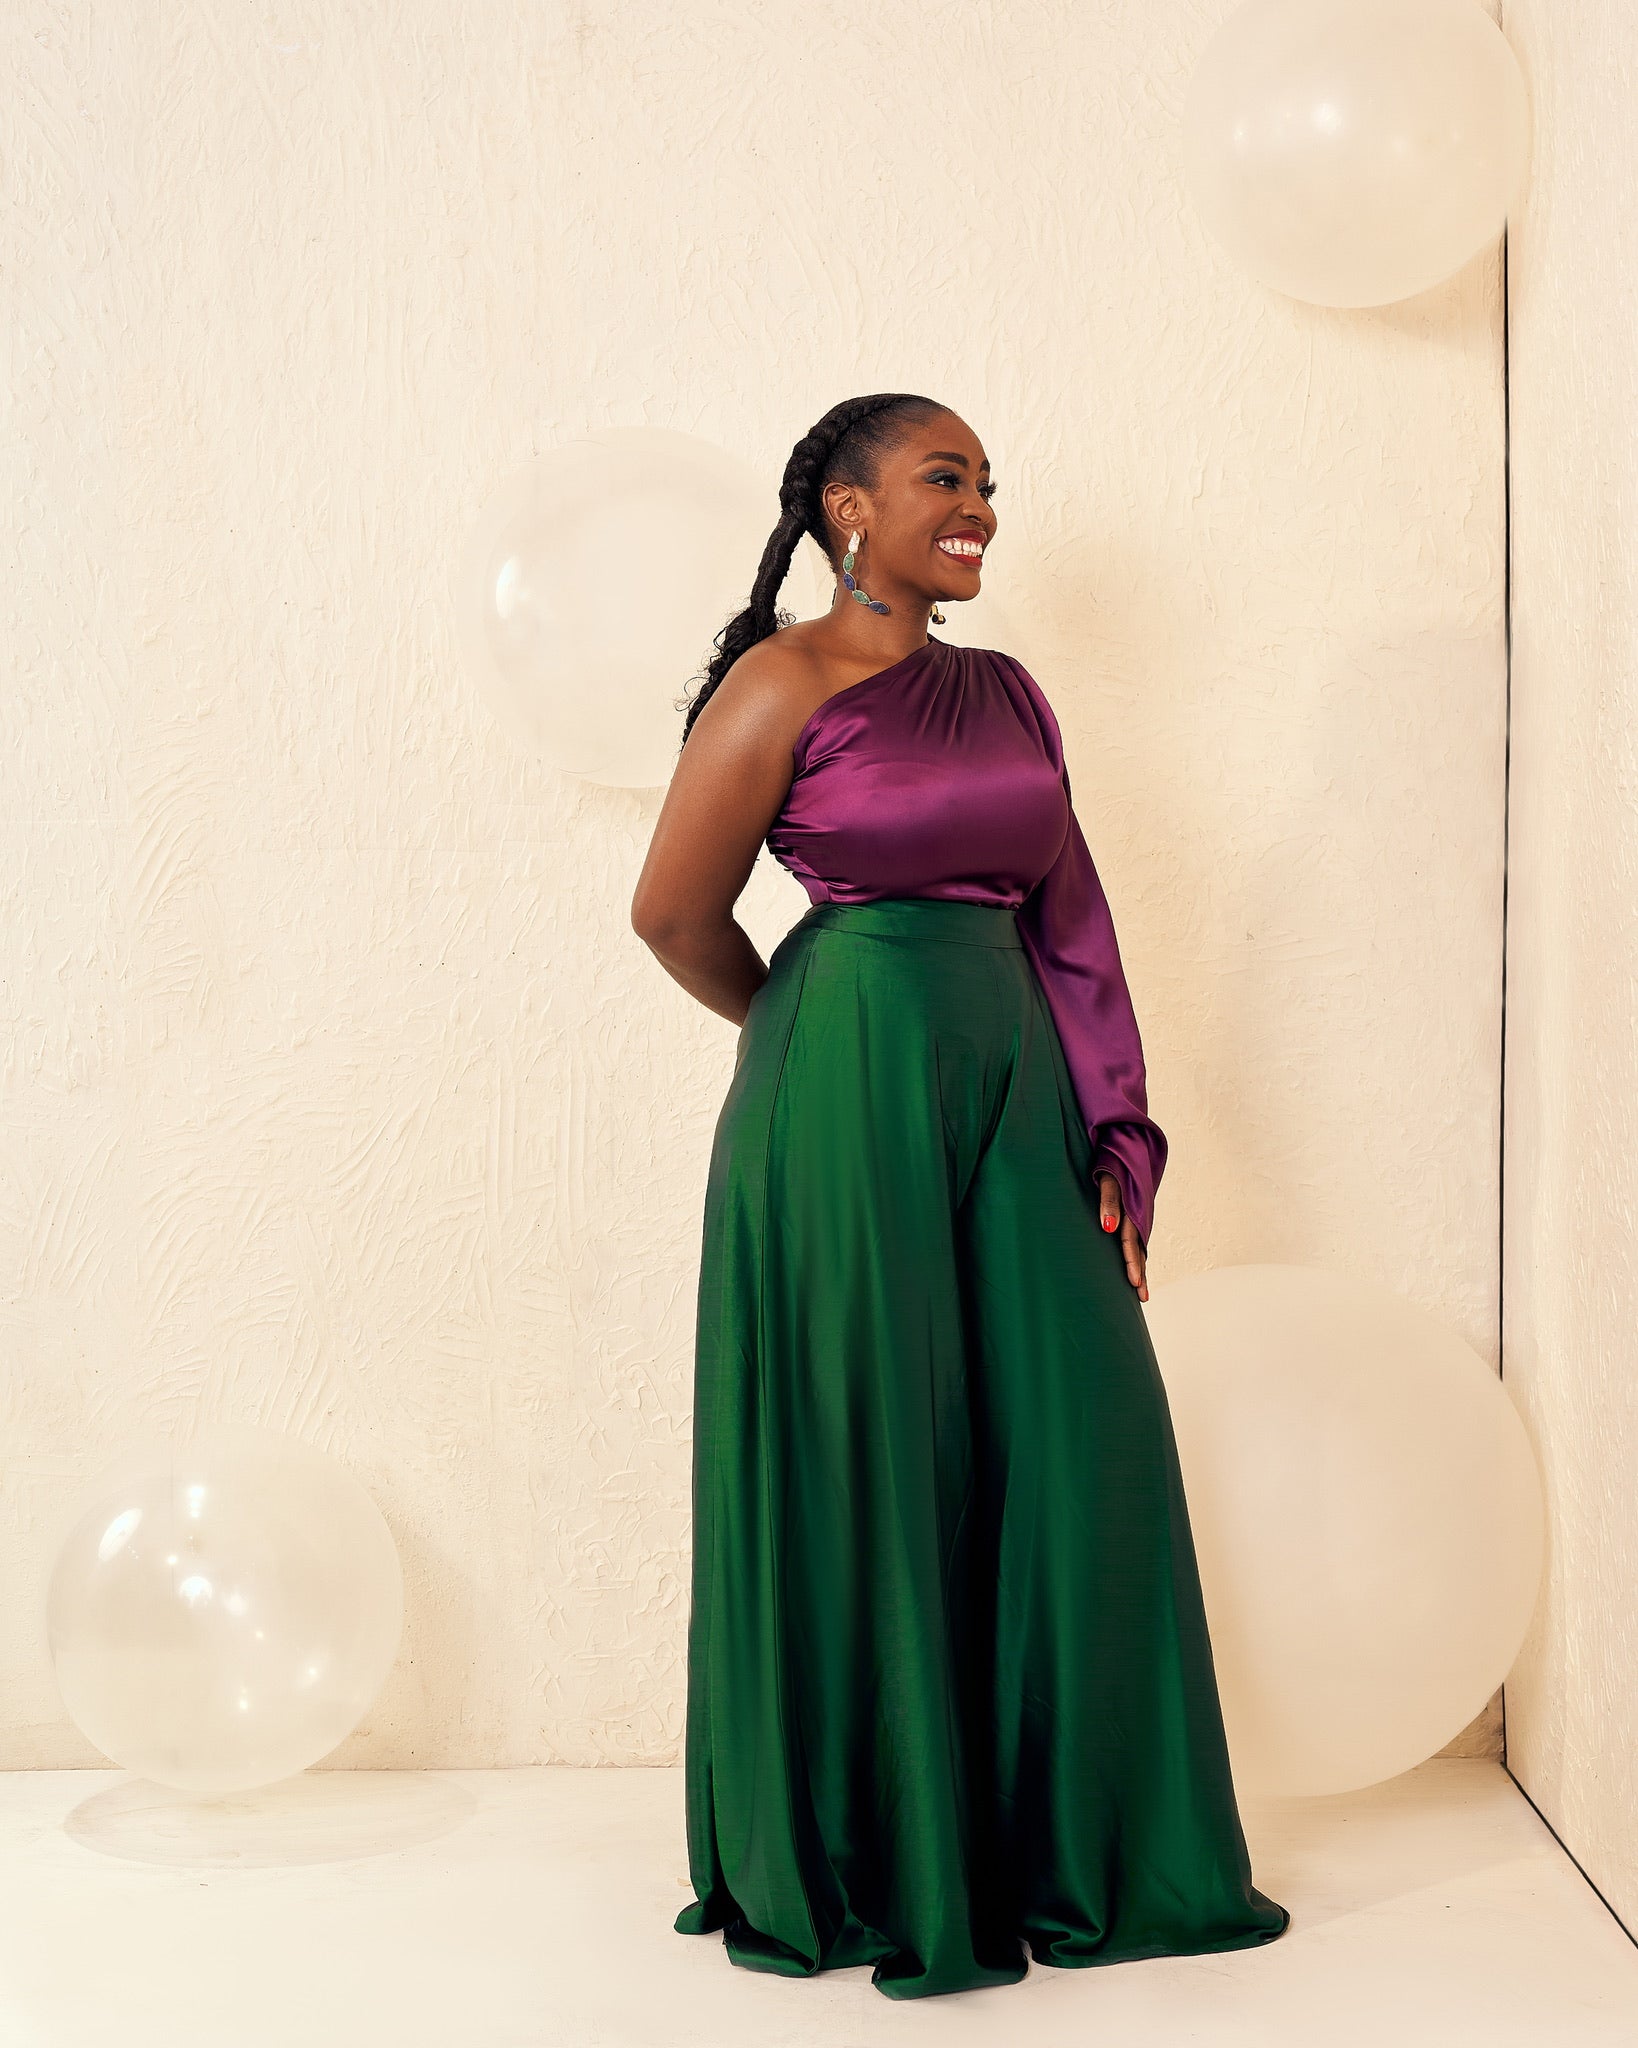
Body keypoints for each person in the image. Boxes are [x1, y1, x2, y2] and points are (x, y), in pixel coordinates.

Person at [631, 393, 1290, 1999]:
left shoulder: (1004, 692)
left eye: (989, 482)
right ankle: (877, 1856)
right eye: (945, 479)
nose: (980, 504)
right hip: (843, 1101)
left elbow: (1068, 909)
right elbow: (670, 914)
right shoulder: (777, 686)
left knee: (1083, 1435)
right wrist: (824, 1035)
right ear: (849, 511)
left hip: (1021, 1093)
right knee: (878, 1444)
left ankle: (1072, 1850)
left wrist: (1116, 1130)